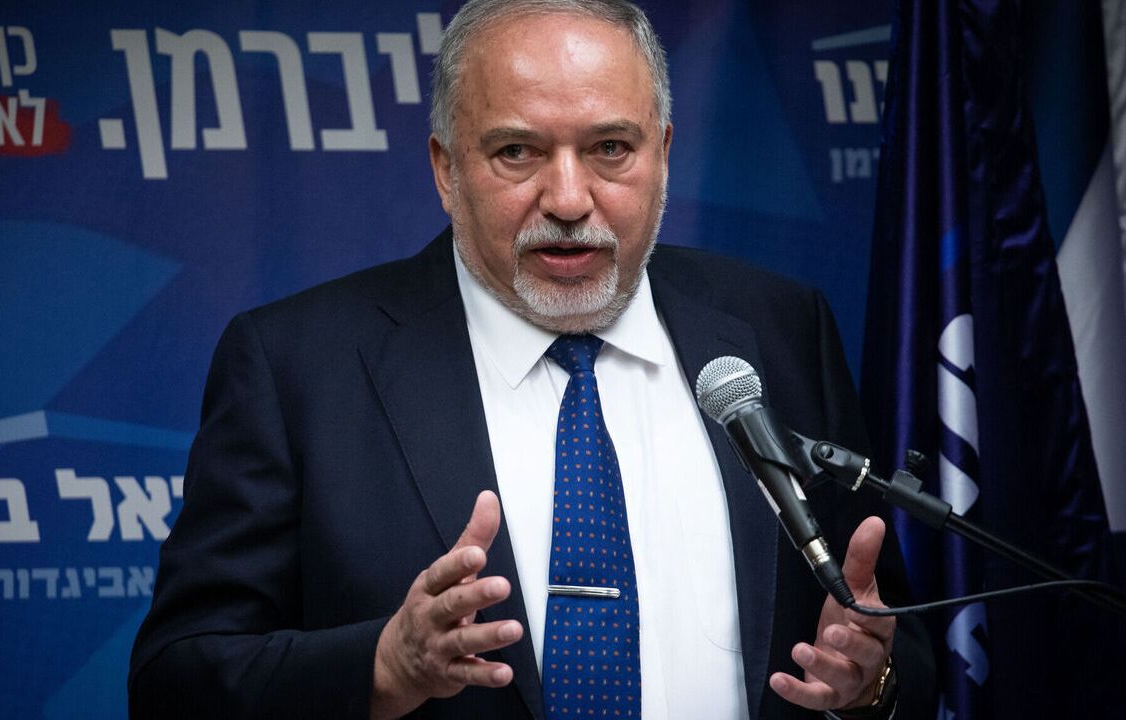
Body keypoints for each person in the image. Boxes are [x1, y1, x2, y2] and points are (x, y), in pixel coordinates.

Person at [128, 1, 936, 718]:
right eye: (517, 152)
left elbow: (891, 641)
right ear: (447, 170)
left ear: (662, 154)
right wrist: (382, 669)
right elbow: (176, 681)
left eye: (610, 147)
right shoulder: (296, 366)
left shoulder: (776, 329)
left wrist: (873, 683)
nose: (569, 199)